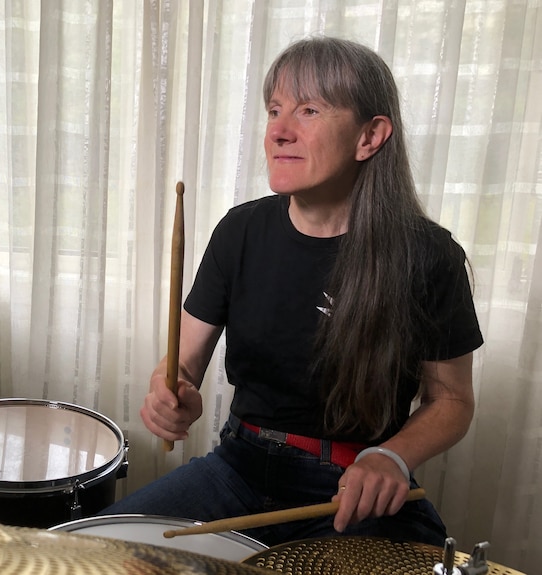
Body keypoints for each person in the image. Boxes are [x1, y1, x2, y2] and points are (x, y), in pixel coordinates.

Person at [100, 36, 483, 548]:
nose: (278, 131)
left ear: (369, 136)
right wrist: (168, 394)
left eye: (308, 110)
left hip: (351, 488)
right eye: (274, 110)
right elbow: (182, 366)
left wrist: (392, 457)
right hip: (238, 469)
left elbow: (452, 400)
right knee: (96, 554)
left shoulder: (428, 254)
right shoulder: (239, 231)